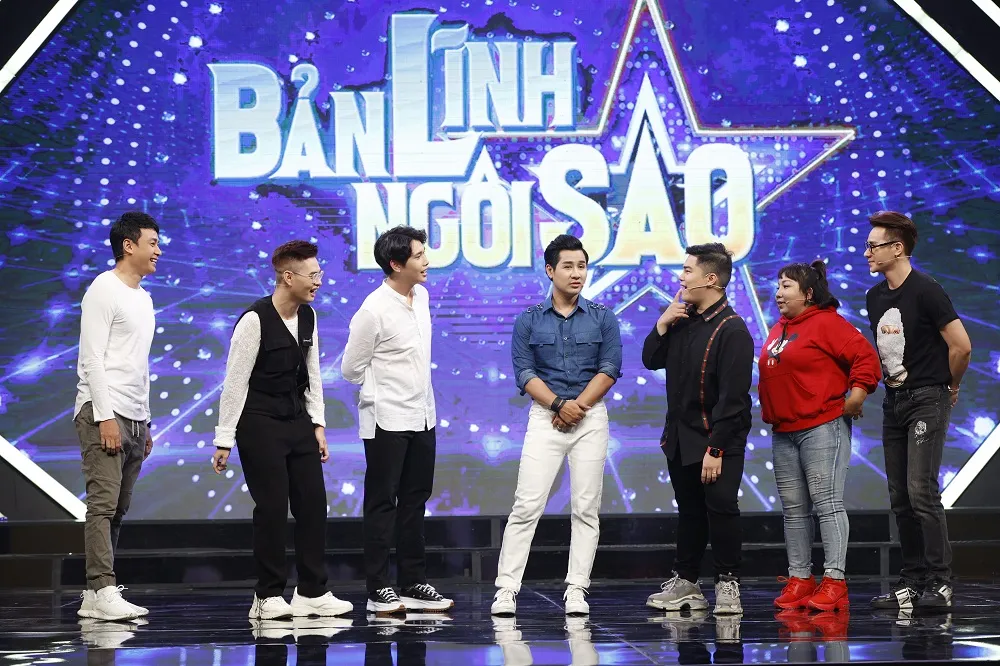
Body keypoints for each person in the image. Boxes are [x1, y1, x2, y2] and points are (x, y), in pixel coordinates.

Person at [211, 240, 352, 620]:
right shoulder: (254, 320)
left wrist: (318, 423)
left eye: (320, 274)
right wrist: (224, 439)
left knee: (313, 505)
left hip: (297, 420)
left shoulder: (308, 316)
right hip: (259, 422)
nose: (318, 282)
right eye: (313, 275)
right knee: (273, 508)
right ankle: (267, 595)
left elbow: (313, 374)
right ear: (288, 277)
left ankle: (312, 591)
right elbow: (234, 382)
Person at [490, 234, 623, 617]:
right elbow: (524, 372)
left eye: (582, 266)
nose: (576, 273)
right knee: (526, 504)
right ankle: (506, 589)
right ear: (550, 270)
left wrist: (578, 407)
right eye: (568, 266)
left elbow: (609, 368)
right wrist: (559, 405)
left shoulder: (603, 317)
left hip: (590, 417)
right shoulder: (529, 320)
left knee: (586, 507)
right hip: (545, 416)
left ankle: (577, 589)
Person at [342, 226, 453, 614]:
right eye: (419, 256)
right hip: (386, 419)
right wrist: (382, 387)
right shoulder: (373, 310)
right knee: (382, 503)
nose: (426, 261)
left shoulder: (421, 296)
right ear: (395, 264)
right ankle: (378, 588)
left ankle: (412, 582)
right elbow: (350, 369)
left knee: (415, 501)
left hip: (423, 415)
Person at [864, 211, 972, 611]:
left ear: (898, 248)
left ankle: (940, 583)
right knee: (899, 497)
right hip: (893, 400)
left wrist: (950, 386)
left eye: (873, 246)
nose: (867, 253)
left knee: (921, 491)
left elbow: (961, 346)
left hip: (928, 396)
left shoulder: (927, 290)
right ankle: (911, 582)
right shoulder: (875, 297)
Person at [759, 260, 881, 612]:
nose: (778, 293)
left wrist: (857, 395)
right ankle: (800, 578)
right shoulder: (779, 327)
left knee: (827, 504)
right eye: (778, 286)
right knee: (794, 511)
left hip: (821, 426)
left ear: (808, 293)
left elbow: (865, 357)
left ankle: (835, 581)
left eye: (786, 286)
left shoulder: (827, 323)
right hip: (784, 431)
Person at [642, 243, 754, 615]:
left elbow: (734, 398)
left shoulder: (732, 329)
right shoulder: (682, 321)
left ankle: (728, 583)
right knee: (690, 511)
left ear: (711, 279)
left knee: (721, 508)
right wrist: (662, 323)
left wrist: (716, 448)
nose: (681, 277)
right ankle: (686, 583)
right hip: (680, 436)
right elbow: (651, 359)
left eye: (688, 270)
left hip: (717, 438)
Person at [74, 211, 160, 621]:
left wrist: (146, 420)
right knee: (103, 505)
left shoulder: (144, 297)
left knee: (119, 508)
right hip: (102, 412)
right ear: (129, 245)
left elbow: (138, 364)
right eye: (152, 243)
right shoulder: (102, 290)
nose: (158, 251)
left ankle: (97, 595)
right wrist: (104, 417)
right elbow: (92, 359)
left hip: (135, 415)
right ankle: (101, 587)